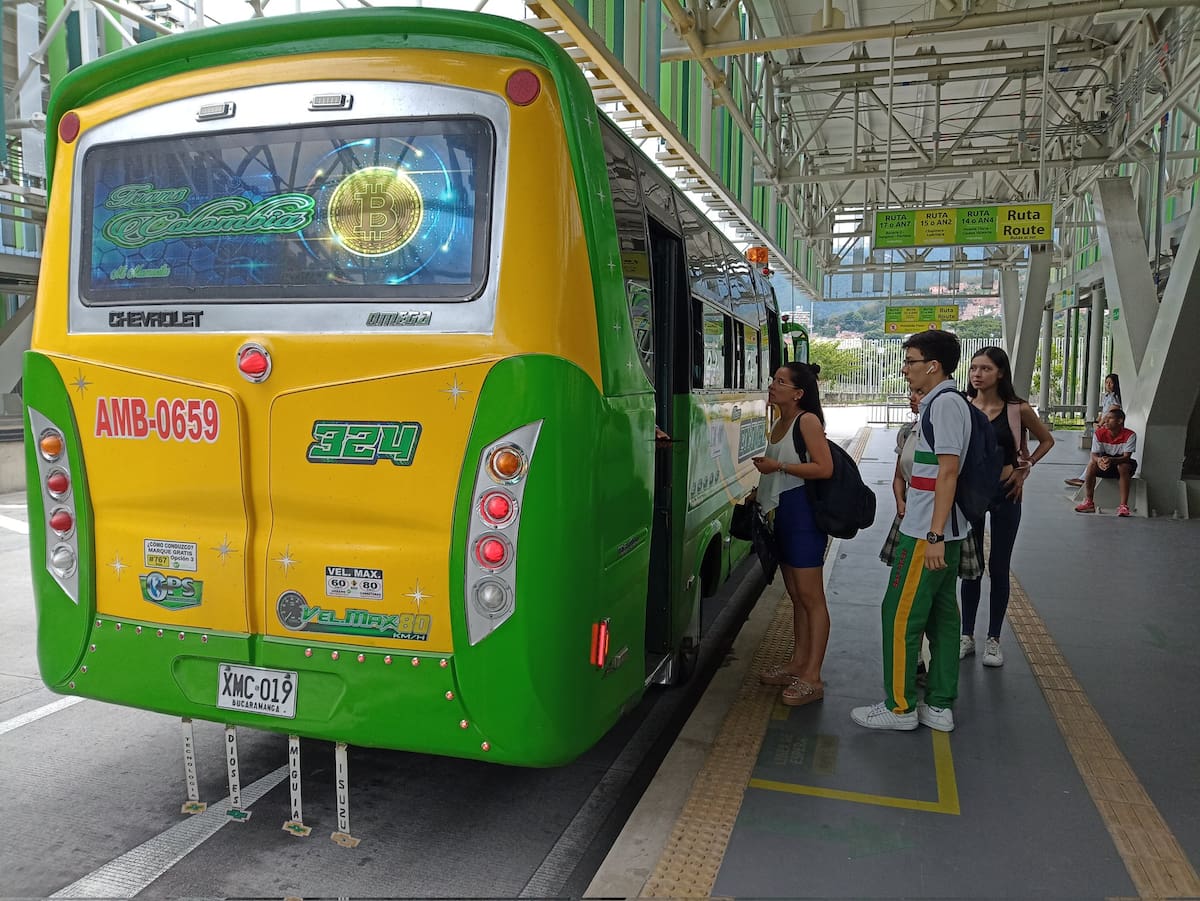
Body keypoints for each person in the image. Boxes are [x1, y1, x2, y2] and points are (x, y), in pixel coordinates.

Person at [852, 329, 970, 733]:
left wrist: (934, 535)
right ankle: (939, 704)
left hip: (926, 534)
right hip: (940, 531)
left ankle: (900, 707)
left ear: (933, 366)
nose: (905, 371)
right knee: (941, 618)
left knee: (900, 616)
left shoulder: (944, 405)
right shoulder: (947, 402)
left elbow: (948, 472)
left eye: (910, 362)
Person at [959, 347, 1055, 668]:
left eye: (985, 368)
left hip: (1006, 493)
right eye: (973, 368)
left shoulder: (1017, 409)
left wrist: (1023, 468)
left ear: (1000, 373)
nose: (977, 374)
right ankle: (967, 635)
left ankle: (994, 639)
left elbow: (1046, 440)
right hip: (971, 493)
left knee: (999, 567)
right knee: (971, 567)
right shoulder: (964, 406)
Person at [751, 362, 834, 707]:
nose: (773, 386)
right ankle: (798, 663)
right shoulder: (779, 421)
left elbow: (824, 467)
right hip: (781, 515)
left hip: (802, 515)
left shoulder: (807, 421)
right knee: (796, 597)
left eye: (780, 382)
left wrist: (779, 467)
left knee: (811, 597)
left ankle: (812, 676)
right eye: (774, 380)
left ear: (798, 393)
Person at [1074, 408, 1138, 516]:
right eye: (1105, 419)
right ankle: (1089, 502)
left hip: (1121, 463)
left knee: (1123, 466)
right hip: (1105, 462)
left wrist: (1111, 460)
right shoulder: (1099, 434)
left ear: (1120, 421)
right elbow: (1094, 455)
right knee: (1091, 465)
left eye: (1110, 419)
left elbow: (1127, 457)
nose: (1106, 421)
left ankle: (1123, 506)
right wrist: (1099, 461)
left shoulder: (1130, 435)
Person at [1066, 373, 1121, 487]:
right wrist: (1097, 422)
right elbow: (1103, 413)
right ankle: (1084, 478)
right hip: (1102, 427)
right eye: (1106, 382)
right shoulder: (1107, 397)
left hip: (1107, 429)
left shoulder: (1115, 397)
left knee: (1097, 454)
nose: (1108, 385)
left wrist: (1100, 424)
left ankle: (1084, 479)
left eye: (1111, 382)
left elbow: (1110, 414)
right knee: (1096, 454)